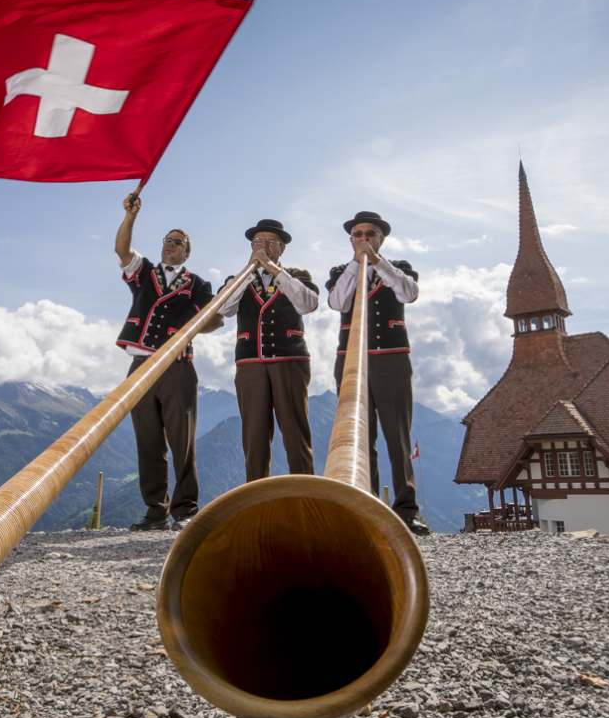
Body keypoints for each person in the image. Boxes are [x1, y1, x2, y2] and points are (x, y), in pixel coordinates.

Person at [115, 191, 219, 531]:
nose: (169, 245)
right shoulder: (144, 272)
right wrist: (130, 216)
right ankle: (155, 510)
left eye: (177, 242)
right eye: (166, 241)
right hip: (142, 362)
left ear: (187, 251)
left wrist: (200, 321)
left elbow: (215, 321)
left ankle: (185, 508)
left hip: (178, 366)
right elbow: (122, 250)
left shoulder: (199, 284)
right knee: (147, 440)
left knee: (181, 440)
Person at [325, 211, 430, 536]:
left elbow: (408, 293)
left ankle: (406, 510)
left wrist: (377, 263)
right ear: (351, 239)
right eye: (357, 234)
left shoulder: (399, 268)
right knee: (359, 437)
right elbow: (337, 302)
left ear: (381, 238)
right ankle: (364, 506)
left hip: (391, 359)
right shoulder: (340, 272)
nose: (363, 239)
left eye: (370, 233)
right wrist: (358, 264)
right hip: (350, 360)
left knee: (396, 434)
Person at [217, 219, 319, 481]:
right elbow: (223, 308)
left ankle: (306, 497)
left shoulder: (297, 276)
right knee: (255, 436)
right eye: (257, 242)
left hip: (290, 360)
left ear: (282, 248)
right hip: (250, 363)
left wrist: (274, 270)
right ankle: (257, 498)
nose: (262, 247)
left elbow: (308, 304)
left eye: (270, 243)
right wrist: (249, 271)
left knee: (295, 432)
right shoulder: (237, 279)